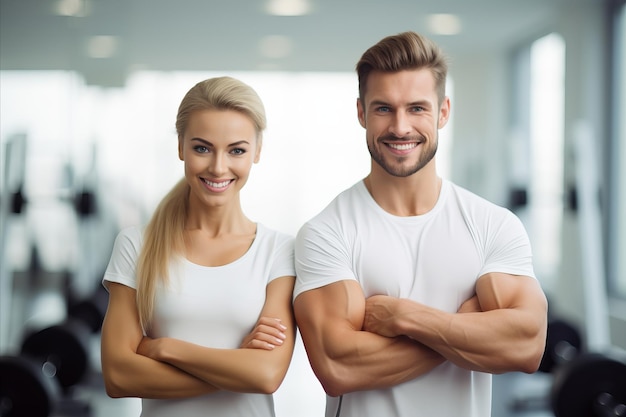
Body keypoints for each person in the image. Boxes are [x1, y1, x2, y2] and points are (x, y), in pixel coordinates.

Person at [293, 31, 548, 417]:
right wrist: (466, 329)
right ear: (361, 112)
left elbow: (527, 346)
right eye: (383, 109)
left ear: (443, 112)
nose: (400, 127)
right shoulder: (327, 232)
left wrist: (404, 318)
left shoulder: (493, 225)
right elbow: (338, 366)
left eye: (416, 108)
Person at [100, 76, 296, 417]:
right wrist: (237, 366)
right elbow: (118, 375)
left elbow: (266, 374)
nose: (218, 167)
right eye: (202, 148)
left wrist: (165, 348)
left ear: (257, 151)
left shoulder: (279, 251)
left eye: (237, 150)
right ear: (180, 146)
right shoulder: (136, 245)